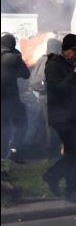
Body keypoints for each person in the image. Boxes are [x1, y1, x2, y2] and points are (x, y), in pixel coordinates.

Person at [42, 34, 76, 204]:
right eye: (74, 50)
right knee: (73, 152)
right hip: (60, 115)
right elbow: (57, 89)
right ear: (65, 50)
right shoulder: (53, 65)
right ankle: (72, 191)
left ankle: (52, 175)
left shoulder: (75, 65)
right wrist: (74, 74)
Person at [1, 33, 31, 162]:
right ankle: (14, 150)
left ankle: (3, 155)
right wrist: (18, 57)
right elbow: (25, 74)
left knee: (4, 127)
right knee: (22, 124)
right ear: (12, 45)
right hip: (11, 99)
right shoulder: (13, 58)